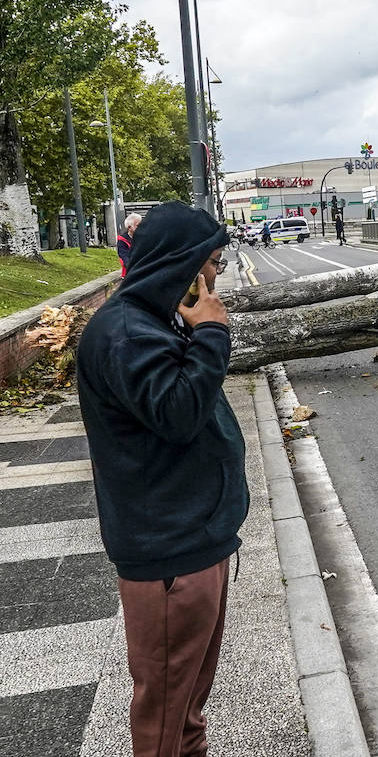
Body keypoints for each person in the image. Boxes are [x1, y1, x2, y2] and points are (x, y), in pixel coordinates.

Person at [75, 202, 245, 757]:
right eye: (213, 262)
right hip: (169, 550)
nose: (217, 274)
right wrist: (213, 336)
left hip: (194, 537)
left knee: (186, 705)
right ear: (185, 264)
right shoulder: (127, 332)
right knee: (164, 714)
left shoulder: (154, 319)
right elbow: (177, 414)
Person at [116, 213, 142, 277]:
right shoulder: (122, 241)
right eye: (138, 225)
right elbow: (125, 258)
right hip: (130, 275)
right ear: (129, 228)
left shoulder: (145, 237)